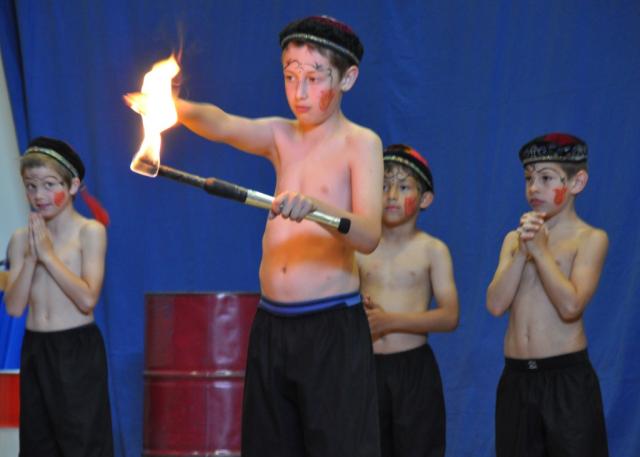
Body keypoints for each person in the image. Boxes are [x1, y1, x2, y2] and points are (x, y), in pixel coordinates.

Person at [169, 15, 383, 457]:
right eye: (289, 76)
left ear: (347, 78)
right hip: (271, 324)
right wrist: (168, 105)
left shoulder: (360, 143)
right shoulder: (279, 135)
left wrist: (317, 209)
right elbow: (223, 124)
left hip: (330, 326)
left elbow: (367, 235)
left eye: (313, 78)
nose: (299, 92)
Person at [486, 133, 609, 457]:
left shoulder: (589, 238)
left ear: (576, 182)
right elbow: (495, 305)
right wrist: (522, 251)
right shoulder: (513, 239)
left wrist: (540, 253)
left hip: (565, 380)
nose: (534, 188)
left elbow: (571, 306)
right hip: (516, 379)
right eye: (529, 179)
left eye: (546, 178)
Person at [4, 136, 113, 457]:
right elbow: (14, 307)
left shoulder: (89, 232)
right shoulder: (21, 239)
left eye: (49, 185)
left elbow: (87, 299)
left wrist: (49, 257)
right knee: (37, 444)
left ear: (73, 185)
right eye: (31, 186)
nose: (39, 196)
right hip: (35, 349)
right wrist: (31, 259)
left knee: (82, 443)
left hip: (76, 349)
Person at [356, 144, 459, 457]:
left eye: (403, 187)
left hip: (414, 369)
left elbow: (449, 316)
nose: (391, 196)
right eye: (383, 186)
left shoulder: (432, 250)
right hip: (366, 368)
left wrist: (391, 321)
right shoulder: (359, 249)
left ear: (425, 199)